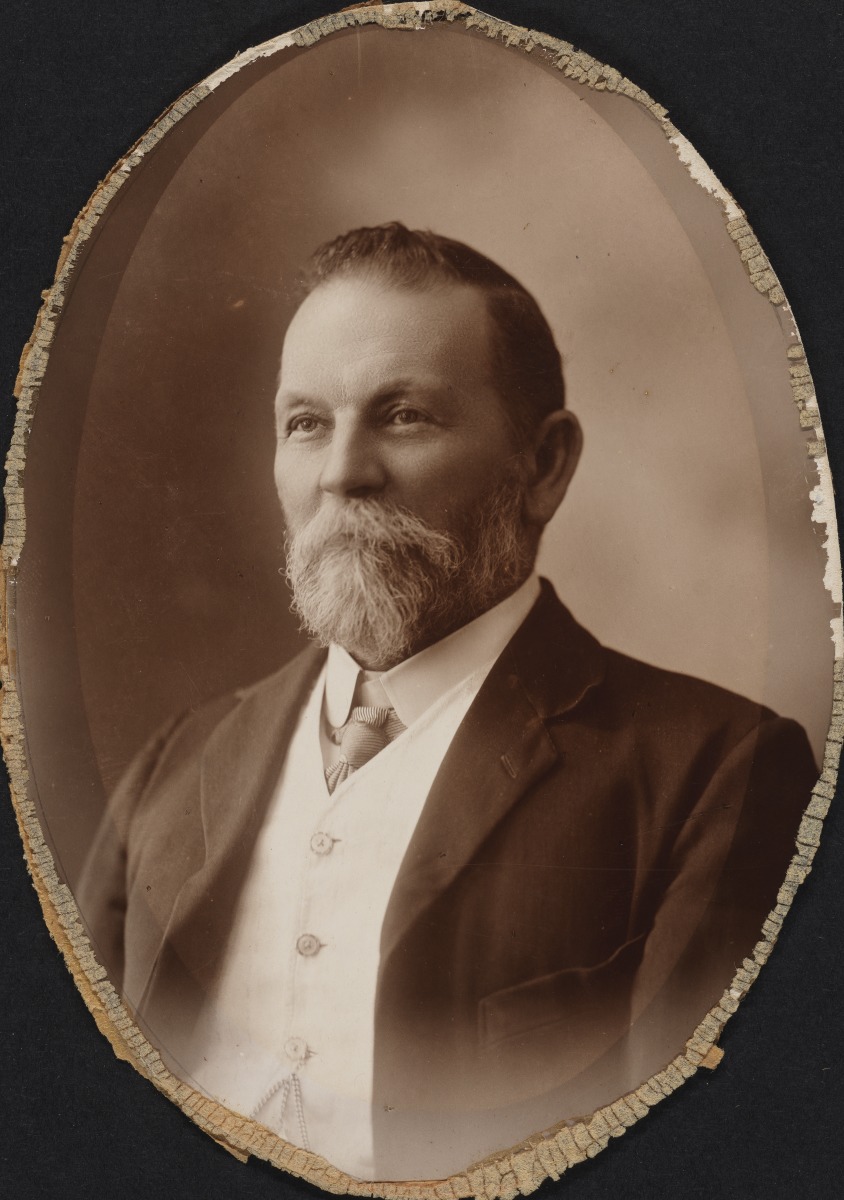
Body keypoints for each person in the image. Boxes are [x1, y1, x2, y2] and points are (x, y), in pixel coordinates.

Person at [77, 223, 818, 1180]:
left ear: (543, 466)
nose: (342, 472)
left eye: (403, 416)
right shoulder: (175, 767)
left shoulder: (718, 776)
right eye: (306, 423)